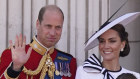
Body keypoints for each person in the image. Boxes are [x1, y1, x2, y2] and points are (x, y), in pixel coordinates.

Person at [0, 5, 77, 79]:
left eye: (58, 27)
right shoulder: (12, 55)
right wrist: (15, 68)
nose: (53, 33)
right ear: (38, 24)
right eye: (48, 26)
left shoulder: (69, 62)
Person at [76, 12, 140, 79]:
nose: (106, 46)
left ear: (122, 44)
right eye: (102, 41)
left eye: (112, 41)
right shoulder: (84, 72)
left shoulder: (135, 77)